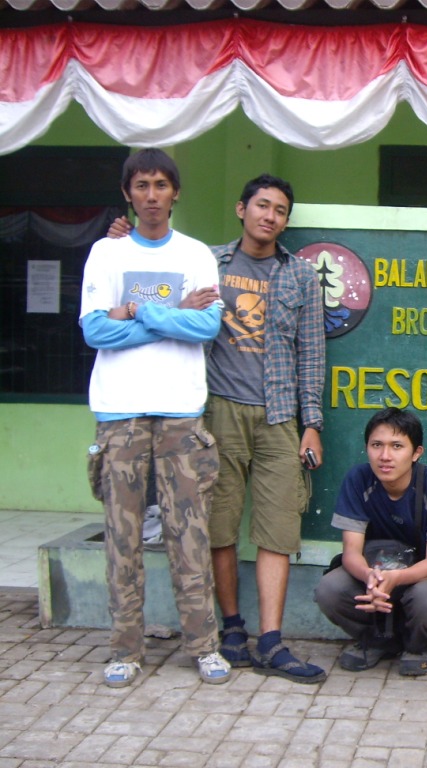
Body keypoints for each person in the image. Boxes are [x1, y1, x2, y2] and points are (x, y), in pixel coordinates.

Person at [109, 174, 327, 683]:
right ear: (241, 209)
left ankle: (271, 641)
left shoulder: (299, 275)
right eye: (262, 205)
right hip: (216, 413)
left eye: (280, 210)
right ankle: (231, 630)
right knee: (218, 526)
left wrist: (311, 423)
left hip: (279, 416)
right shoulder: (207, 262)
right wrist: (119, 240)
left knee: (278, 529)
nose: (270, 216)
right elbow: (149, 279)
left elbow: (312, 352)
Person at [80, 148, 230, 688]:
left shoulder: (195, 254)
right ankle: (125, 649)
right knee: (122, 538)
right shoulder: (106, 253)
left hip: (181, 413)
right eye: (141, 185)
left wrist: (140, 310)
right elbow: (96, 331)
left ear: (175, 192)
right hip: (119, 411)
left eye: (160, 185)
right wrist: (174, 312)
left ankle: (204, 647)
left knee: (188, 535)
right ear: (128, 193)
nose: (151, 196)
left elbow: (206, 327)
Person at [314, 408, 427, 676]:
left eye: (397, 446)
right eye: (377, 445)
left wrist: (395, 578)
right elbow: (351, 553)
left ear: (416, 452)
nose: (385, 456)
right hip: (374, 570)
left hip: (425, 577)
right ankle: (377, 640)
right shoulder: (358, 479)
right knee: (330, 589)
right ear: (367, 448)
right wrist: (369, 576)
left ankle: (419, 646)